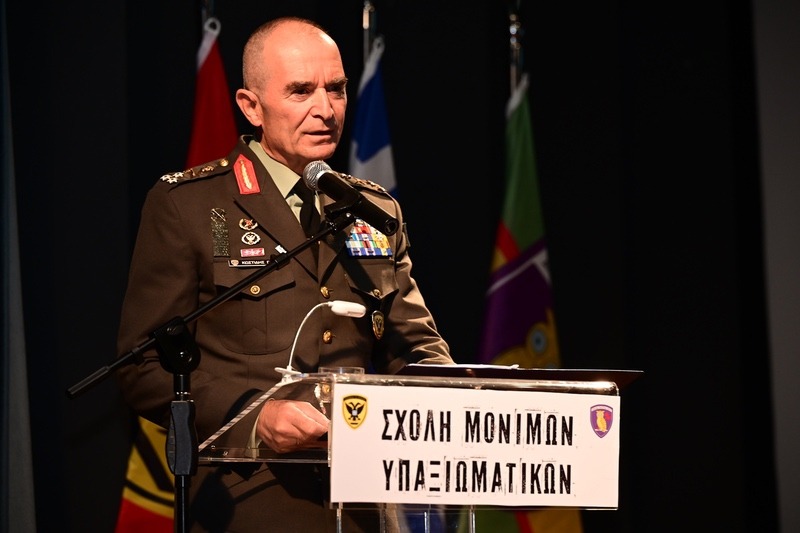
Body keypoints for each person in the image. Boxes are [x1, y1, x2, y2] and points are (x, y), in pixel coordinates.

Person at [115, 16, 454, 532]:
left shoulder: (373, 210)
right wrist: (255, 416)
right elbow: (142, 367)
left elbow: (415, 347)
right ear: (251, 106)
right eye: (300, 91)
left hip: (362, 507)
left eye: (336, 89)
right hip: (250, 502)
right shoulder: (189, 205)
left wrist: (460, 398)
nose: (325, 109)